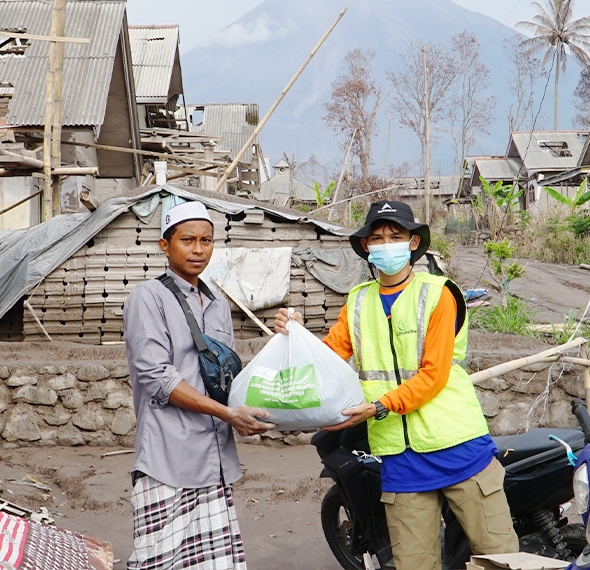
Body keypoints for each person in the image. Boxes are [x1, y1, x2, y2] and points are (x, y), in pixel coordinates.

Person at [275, 200, 518, 570]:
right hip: (401, 460)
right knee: (413, 565)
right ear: (367, 247)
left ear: (413, 243)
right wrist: (292, 332)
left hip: (459, 449)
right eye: (377, 237)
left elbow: (433, 374)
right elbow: (323, 360)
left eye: (395, 235)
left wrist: (377, 407)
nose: (386, 243)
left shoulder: (440, 294)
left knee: (500, 561)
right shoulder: (357, 303)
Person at [124, 200, 274, 570]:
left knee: (214, 563)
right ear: (164, 245)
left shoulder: (217, 302)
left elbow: (227, 375)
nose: (198, 249)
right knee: (159, 561)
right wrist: (228, 414)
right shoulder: (148, 297)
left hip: (214, 460)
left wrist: (285, 337)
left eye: (206, 240)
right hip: (168, 457)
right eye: (187, 240)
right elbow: (158, 377)